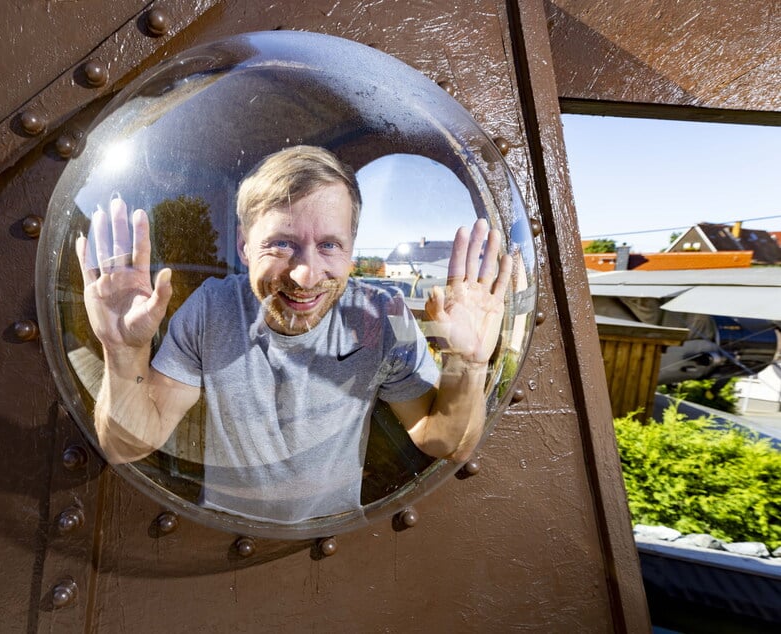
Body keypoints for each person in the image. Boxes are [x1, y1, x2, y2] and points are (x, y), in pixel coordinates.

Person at [75, 145, 512, 523]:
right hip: (219, 534)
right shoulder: (211, 308)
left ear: (351, 249)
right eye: (281, 243)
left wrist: (468, 363)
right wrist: (123, 349)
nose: (304, 275)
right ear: (245, 246)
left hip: (335, 539)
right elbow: (127, 445)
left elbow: (442, 440)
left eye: (328, 245)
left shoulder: (386, 314)